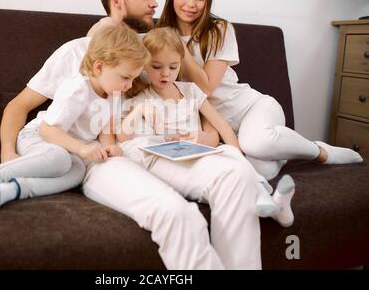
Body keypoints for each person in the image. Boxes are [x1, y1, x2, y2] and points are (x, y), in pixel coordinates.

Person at [0, 0, 262, 269]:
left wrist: (209, 134)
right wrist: (9, 156)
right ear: (117, 0)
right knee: (177, 214)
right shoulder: (77, 52)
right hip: (105, 157)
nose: (155, 3)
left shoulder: (157, 47)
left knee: (237, 178)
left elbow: (197, 95)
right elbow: (17, 107)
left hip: (157, 144)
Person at [157, 0, 363, 181]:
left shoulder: (219, 29)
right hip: (223, 126)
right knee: (259, 172)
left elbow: (207, 87)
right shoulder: (159, 36)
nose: (191, 3)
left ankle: (320, 151)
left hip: (252, 108)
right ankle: (281, 152)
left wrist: (179, 47)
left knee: (255, 143)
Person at [117, 27, 295, 227]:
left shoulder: (191, 91)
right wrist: (137, 110)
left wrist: (237, 154)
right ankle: (271, 204)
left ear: (180, 65)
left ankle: (264, 195)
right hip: (179, 163)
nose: (165, 74)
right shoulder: (144, 99)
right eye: (156, 66)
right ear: (144, 66)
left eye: (173, 67)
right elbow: (123, 138)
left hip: (203, 150)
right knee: (223, 169)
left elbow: (222, 126)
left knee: (228, 151)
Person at [0, 25, 149, 210]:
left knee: (77, 172)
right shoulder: (77, 89)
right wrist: (82, 148)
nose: (129, 85)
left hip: (68, 149)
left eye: (133, 78)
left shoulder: (113, 91)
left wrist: (109, 146)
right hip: (38, 137)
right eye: (125, 77)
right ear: (99, 67)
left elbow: (105, 128)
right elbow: (47, 130)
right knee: (60, 159)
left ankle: (15, 189)